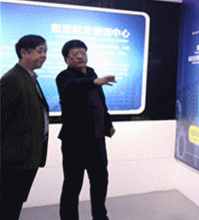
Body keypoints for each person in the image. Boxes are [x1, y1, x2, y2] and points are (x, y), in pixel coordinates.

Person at [56, 39, 116, 220]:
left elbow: (100, 103)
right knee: (73, 184)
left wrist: (108, 123)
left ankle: (100, 216)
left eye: (83, 52)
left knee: (100, 180)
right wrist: (94, 81)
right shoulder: (64, 77)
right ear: (67, 59)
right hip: (74, 141)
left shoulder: (91, 73)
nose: (80, 57)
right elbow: (74, 86)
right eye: (75, 54)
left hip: (96, 138)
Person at [1, 35, 50, 220]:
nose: (44, 56)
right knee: (7, 206)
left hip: (27, 157)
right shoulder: (13, 79)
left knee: (14, 204)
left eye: (45, 51)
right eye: (39, 51)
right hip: (13, 160)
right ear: (24, 52)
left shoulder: (29, 77)